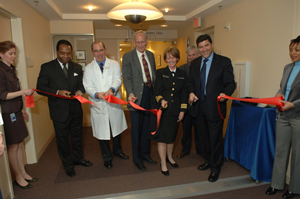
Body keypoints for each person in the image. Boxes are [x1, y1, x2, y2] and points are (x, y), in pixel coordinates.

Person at [36, 39, 92, 177]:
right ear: (57, 52)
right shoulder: (47, 67)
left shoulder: (77, 68)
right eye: (62, 53)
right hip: (59, 111)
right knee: (62, 139)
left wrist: (80, 91)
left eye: (68, 53)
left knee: (77, 136)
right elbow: (40, 88)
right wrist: (57, 92)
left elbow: (81, 84)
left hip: (75, 109)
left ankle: (78, 159)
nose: (66, 56)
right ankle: (68, 164)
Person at [187, 34, 235, 182]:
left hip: (215, 107)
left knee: (215, 139)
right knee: (203, 138)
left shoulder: (224, 62)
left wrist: (225, 93)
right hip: (198, 107)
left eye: (206, 45)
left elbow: (230, 84)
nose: (204, 49)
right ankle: (208, 160)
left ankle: (215, 167)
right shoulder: (195, 63)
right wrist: (191, 92)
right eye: (201, 47)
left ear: (211, 44)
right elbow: (190, 82)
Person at [83, 41, 129, 169]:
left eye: (101, 50)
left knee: (116, 129)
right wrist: (97, 94)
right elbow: (87, 86)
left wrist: (112, 90)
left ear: (105, 49)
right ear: (92, 52)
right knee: (102, 133)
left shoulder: (114, 64)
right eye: (96, 51)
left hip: (113, 102)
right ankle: (107, 157)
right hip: (99, 104)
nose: (99, 53)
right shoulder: (88, 68)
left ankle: (118, 150)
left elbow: (118, 79)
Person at [265, 35, 300, 198]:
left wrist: (293, 104)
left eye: (297, 50)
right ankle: (276, 184)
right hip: (283, 114)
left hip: (297, 116)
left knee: (297, 155)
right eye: (291, 49)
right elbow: (282, 87)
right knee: (280, 151)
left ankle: (294, 188)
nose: (293, 53)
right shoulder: (287, 67)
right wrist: (279, 94)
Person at [0, 41, 37, 189]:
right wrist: (23, 92)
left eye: (14, 53)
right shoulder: (0, 71)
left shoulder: (11, 69)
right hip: (8, 113)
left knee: (20, 143)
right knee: (13, 146)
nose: (13, 56)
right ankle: (18, 177)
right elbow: (2, 95)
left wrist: (21, 108)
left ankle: (23, 172)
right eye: (10, 54)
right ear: (1, 54)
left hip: (16, 110)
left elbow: (15, 92)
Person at [149, 47, 188, 176]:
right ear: (165, 59)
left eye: (173, 57)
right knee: (162, 137)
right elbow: (157, 91)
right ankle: (163, 163)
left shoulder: (183, 74)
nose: (171, 60)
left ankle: (170, 158)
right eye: (168, 57)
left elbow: (184, 93)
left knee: (171, 137)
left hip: (175, 110)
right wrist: (161, 101)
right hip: (163, 110)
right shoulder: (160, 72)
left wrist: (183, 110)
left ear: (177, 58)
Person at [122, 30, 157, 171]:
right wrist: (130, 93)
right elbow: (127, 78)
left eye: (142, 41)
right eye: (137, 42)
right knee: (136, 129)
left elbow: (153, 75)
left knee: (148, 127)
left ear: (147, 41)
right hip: (136, 96)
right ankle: (137, 159)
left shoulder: (151, 55)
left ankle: (146, 154)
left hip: (150, 94)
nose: (140, 44)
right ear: (134, 42)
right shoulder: (128, 56)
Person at [177, 46, 202, 159]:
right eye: (189, 55)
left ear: (198, 54)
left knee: (199, 128)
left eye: (194, 54)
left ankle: (200, 150)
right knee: (186, 128)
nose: (191, 57)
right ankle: (185, 149)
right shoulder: (182, 69)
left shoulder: (203, 67)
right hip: (185, 104)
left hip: (198, 104)